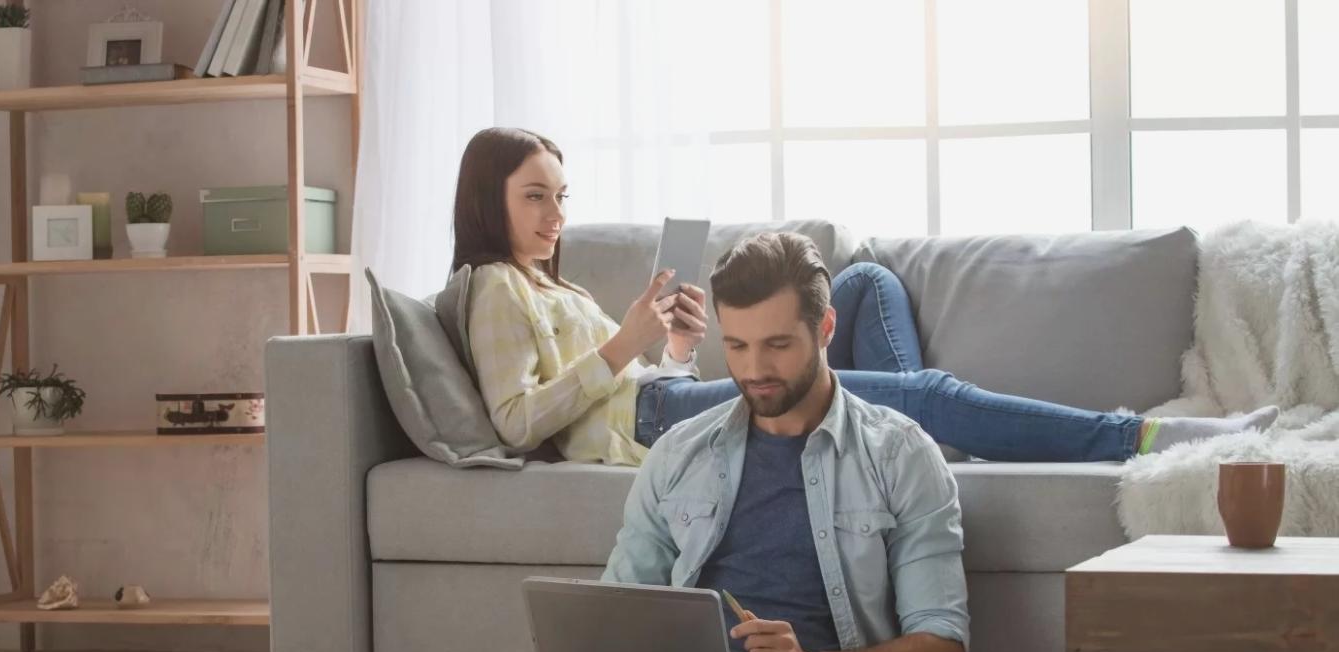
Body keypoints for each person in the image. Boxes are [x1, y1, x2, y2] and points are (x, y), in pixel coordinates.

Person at [248, 231, 972, 652]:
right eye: (739, 345)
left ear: (823, 331)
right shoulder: (683, 452)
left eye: (777, 345)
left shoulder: (900, 456)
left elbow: (942, 650)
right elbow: (624, 597)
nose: (753, 369)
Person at [454, 126, 1277, 468]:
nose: (556, 216)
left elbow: (639, 375)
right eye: (535, 197)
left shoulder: (546, 281)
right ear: (491, 199)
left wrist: (671, 343)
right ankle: (1145, 438)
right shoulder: (492, 288)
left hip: (663, 399)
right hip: (653, 431)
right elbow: (516, 422)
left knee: (867, 282)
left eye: (561, 195)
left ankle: (916, 442)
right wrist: (624, 346)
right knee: (923, 392)